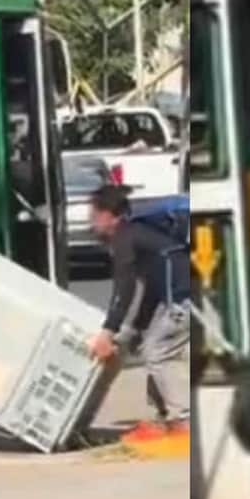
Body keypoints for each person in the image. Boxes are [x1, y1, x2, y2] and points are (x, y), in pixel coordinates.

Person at [86, 185, 190, 439]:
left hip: (184, 299)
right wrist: (137, 328)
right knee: (149, 345)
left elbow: (124, 288)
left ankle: (184, 420)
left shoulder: (125, 237)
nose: (92, 224)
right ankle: (165, 416)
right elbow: (154, 286)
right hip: (178, 296)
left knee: (157, 352)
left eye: (93, 217)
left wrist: (108, 333)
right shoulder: (138, 233)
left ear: (108, 215)